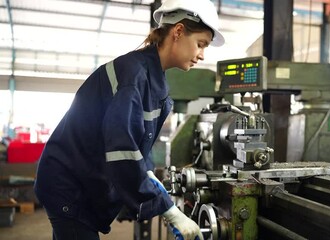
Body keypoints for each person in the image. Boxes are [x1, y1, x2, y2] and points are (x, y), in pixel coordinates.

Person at [34, 0, 224, 239]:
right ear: (178, 32)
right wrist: (169, 211)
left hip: (80, 181)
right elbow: (122, 150)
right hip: (68, 184)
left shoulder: (152, 79)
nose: (202, 55)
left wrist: (162, 197)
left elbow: (137, 151)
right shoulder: (133, 76)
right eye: (201, 44)